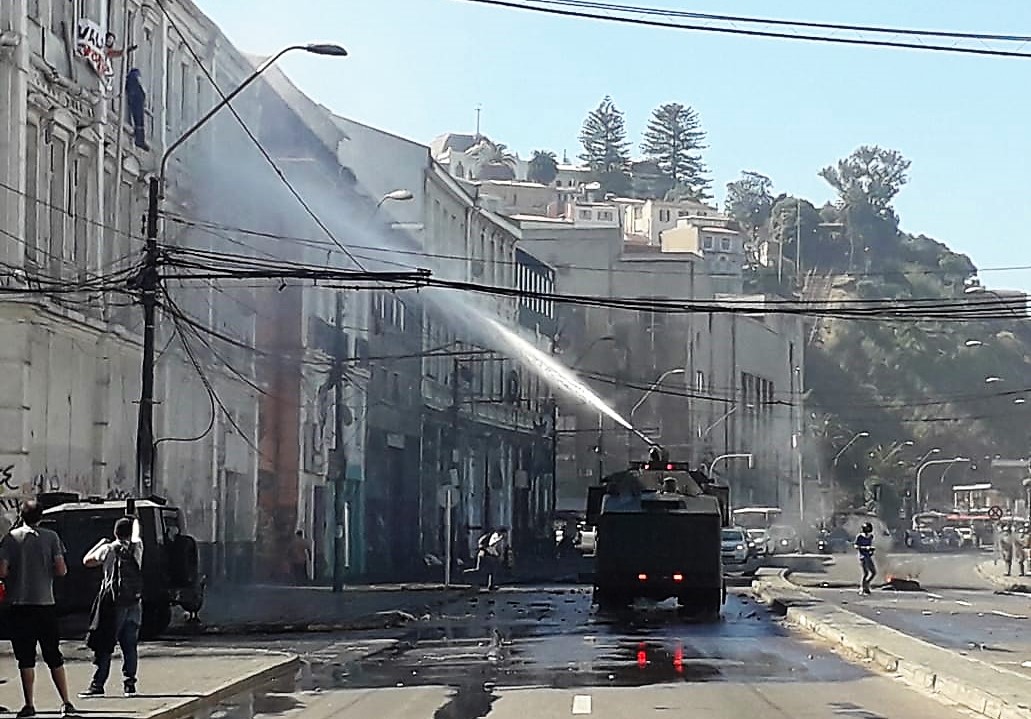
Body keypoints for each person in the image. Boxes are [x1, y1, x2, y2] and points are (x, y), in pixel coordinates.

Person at [0, 500, 75, 717]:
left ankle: (29, 704)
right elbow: (61, 570)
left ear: (21, 515)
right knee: (53, 654)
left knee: (25, 657)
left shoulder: (11, 539)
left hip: (19, 605)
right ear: (41, 517)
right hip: (45, 603)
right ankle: (66, 702)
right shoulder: (51, 537)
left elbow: (2, 571)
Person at [80, 514, 144, 698]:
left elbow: (87, 561)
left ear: (115, 532)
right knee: (129, 645)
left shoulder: (108, 549)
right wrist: (135, 519)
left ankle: (98, 684)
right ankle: (130, 684)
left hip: (113, 604)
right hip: (134, 602)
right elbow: (138, 535)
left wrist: (100, 543)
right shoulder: (137, 548)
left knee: (106, 642)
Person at [855, 522, 877, 595]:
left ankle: (866, 584)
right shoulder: (860, 536)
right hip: (862, 556)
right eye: (866, 528)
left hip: (868, 556)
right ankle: (862, 588)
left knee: (873, 572)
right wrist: (865, 548)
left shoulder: (871, 536)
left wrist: (871, 550)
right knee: (866, 573)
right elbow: (856, 546)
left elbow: (870, 545)